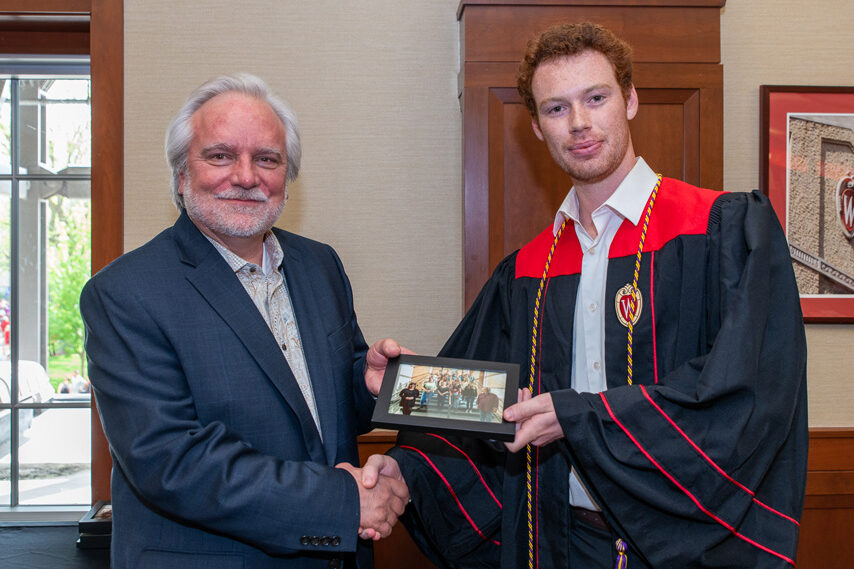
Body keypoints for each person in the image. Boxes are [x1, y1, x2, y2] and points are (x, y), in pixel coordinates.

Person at [361, 22, 808, 569]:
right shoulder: (527, 270)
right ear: (535, 126)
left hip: (680, 548)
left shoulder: (719, 232)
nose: (578, 123)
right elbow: (494, 406)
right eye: (555, 108)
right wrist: (404, 393)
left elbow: (743, 396)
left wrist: (578, 416)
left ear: (631, 100)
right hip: (559, 542)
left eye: (595, 98)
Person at [80, 73, 409, 569]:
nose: (246, 176)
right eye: (220, 155)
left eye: (267, 159)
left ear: (287, 175)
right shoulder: (124, 293)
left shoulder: (320, 265)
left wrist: (367, 384)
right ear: (180, 174)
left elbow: (320, 409)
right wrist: (343, 501)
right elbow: (171, 461)